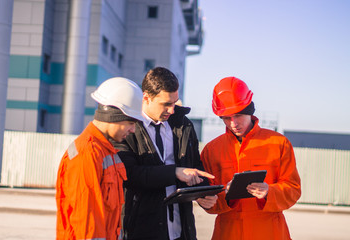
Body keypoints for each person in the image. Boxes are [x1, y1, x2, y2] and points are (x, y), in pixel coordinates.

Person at [113, 67, 217, 240]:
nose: (172, 110)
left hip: (181, 230)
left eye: (174, 102)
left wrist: (202, 192)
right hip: (141, 230)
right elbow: (129, 174)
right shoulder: (125, 128)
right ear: (146, 97)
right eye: (166, 104)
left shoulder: (184, 125)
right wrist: (174, 172)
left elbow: (195, 166)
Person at [200, 76, 301, 240]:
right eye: (226, 118)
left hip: (270, 233)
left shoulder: (279, 143)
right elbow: (209, 201)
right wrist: (217, 197)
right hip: (228, 233)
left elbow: (293, 190)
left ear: (249, 110)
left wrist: (270, 191)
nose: (233, 123)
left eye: (238, 115)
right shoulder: (211, 150)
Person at [55, 77, 144, 240]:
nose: (133, 130)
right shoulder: (87, 153)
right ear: (114, 116)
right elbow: (86, 223)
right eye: (131, 122)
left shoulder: (107, 151)